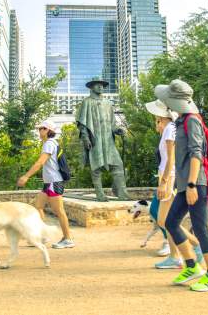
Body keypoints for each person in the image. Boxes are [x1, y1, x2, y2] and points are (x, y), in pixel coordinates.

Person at [155, 79, 208, 292]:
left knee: (201, 229)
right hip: (186, 184)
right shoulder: (180, 121)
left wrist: (193, 184)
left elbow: (196, 154)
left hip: (196, 183)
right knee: (171, 222)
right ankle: (192, 266)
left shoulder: (192, 120)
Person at [145, 100, 204, 270]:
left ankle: (195, 245)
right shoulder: (169, 128)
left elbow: (171, 159)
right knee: (166, 220)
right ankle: (174, 255)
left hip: (169, 178)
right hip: (167, 177)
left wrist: (164, 183)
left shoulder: (171, 128)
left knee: (165, 220)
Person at [17, 120, 74, 249]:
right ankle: (43, 236)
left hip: (54, 182)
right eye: (39, 129)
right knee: (38, 206)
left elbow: (40, 163)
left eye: (41, 128)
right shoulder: (48, 144)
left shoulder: (49, 144)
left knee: (59, 211)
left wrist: (26, 176)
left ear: (48, 130)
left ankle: (68, 239)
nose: (39, 131)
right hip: (49, 183)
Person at [76, 78, 130, 201]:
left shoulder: (108, 103)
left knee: (118, 165)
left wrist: (117, 130)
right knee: (96, 167)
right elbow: (82, 123)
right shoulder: (87, 102)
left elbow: (112, 123)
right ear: (92, 87)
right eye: (97, 85)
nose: (100, 87)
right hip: (95, 139)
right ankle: (100, 194)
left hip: (108, 141)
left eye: (102, 85)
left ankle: (122, 193)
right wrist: (85, 138)